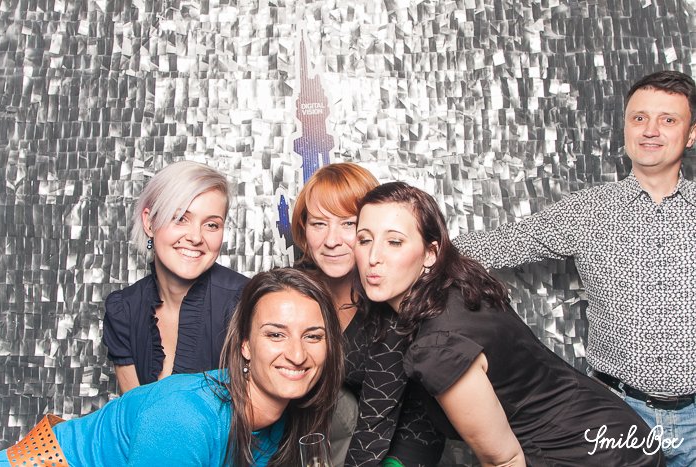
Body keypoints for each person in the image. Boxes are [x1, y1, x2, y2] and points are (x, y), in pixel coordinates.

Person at [452, 70, 696, 465]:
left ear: (691, 134)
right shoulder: (588, 210)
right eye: (639, 118)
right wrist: (416, 249)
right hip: (615, 413)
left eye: (668, 119)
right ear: (626, 128)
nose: (650, 130)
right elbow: (506, 242)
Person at [354, 181, 666, 467]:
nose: (373, 257)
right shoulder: (457, 285)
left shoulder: (439, 347)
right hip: (613, 429)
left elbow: (504, 461)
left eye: (394, 242)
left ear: (431, 253)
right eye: (364, 240)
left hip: (596, 455)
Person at [0, 268, 343, 467]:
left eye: (313, 336)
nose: (297, 354)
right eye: (276, 334)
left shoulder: (288, 419)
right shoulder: (185, 417)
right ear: (245, 345)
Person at [291, 163, 444, 467]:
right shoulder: (295, 290)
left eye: (348, 224)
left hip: (407, 440)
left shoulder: (391, 297)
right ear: (304, 229)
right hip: (341, 433)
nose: (331, 240)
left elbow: (377, 424)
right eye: (319, 223)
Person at [103, 160, 248, 392]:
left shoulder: (246, 302)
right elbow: (133, 409)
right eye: (180, 218)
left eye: (211, 225)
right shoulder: (124, 310)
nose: (196, 237)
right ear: (149, 222)